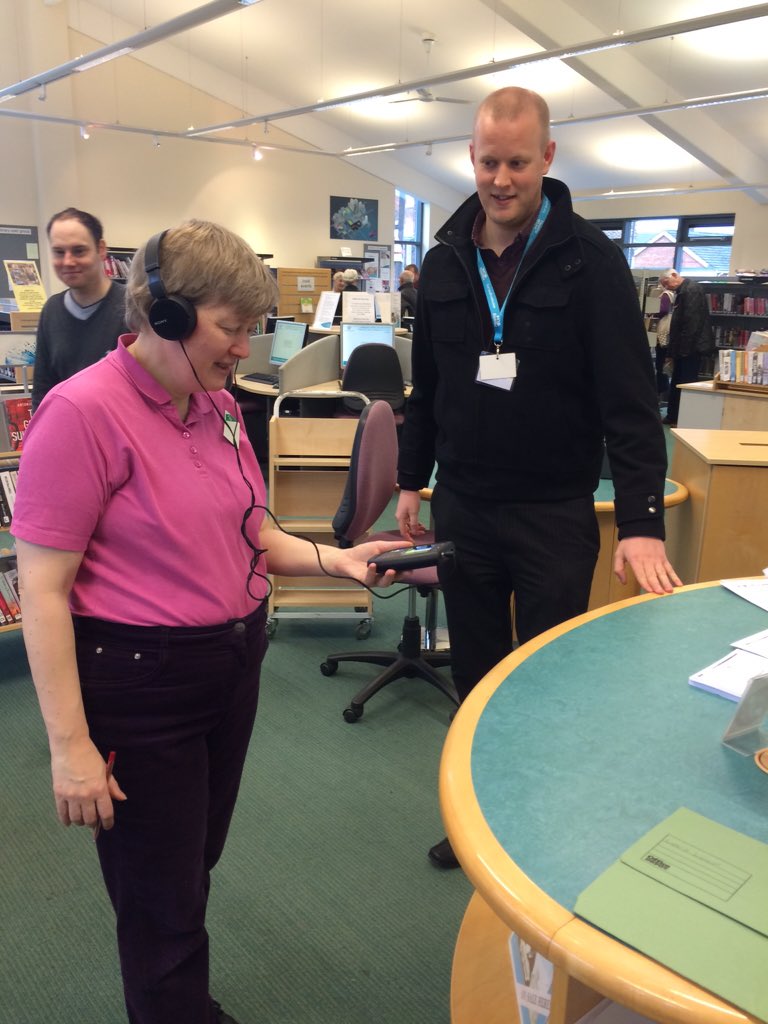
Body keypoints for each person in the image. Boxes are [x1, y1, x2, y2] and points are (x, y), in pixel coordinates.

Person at [12, 220, 403, 1024]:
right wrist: (72, 749)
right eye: (231, 328)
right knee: (160, 894)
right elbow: (45, 592)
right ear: (167, 317)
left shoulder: (219, 407)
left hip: (231, 666)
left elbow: (253, 530)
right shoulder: (81, 413)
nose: (244, 350)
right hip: (139, 681)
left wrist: (340, 561)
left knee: (190, 866)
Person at [394, 87, 681, 869]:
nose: (502, 178)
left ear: (547, 158)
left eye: (518, 162)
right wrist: (409, 482)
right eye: (488, 161)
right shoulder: (447, 257)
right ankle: (480, 826)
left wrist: (643, 519)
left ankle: (543, 828)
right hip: (465, 507)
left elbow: (630, 402)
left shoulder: (592, 262)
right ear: (471, 156)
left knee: (550, 677)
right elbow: (429, 389)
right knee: (479, 675)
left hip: (555, 510)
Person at [31, 207, 127, 412]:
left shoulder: (133, 307)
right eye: (59, 252)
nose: (68, 261)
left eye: (78, 251)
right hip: (70, 433)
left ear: (101, 249)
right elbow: (43, 388)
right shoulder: (51, 311)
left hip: (123, 435)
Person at [658, 269, 714, 426]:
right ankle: (672, 415)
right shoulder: (682, 291)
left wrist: (682, 351)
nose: (667, 287)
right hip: (682, 348)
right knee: (677, 382)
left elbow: (691, 323)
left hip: (691, 348)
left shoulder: (691, 290)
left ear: (675, 276)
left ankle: (683, 419)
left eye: (666, 283)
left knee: (686, 384)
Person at [653, 281, 676, 400]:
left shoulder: (665, 295)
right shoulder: (673, 294)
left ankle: (661, 391)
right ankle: (663, 390)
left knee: (660, 364)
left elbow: (662, 310)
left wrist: (651, 311)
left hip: (663, 334)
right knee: (664, 364)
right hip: (668, 334)